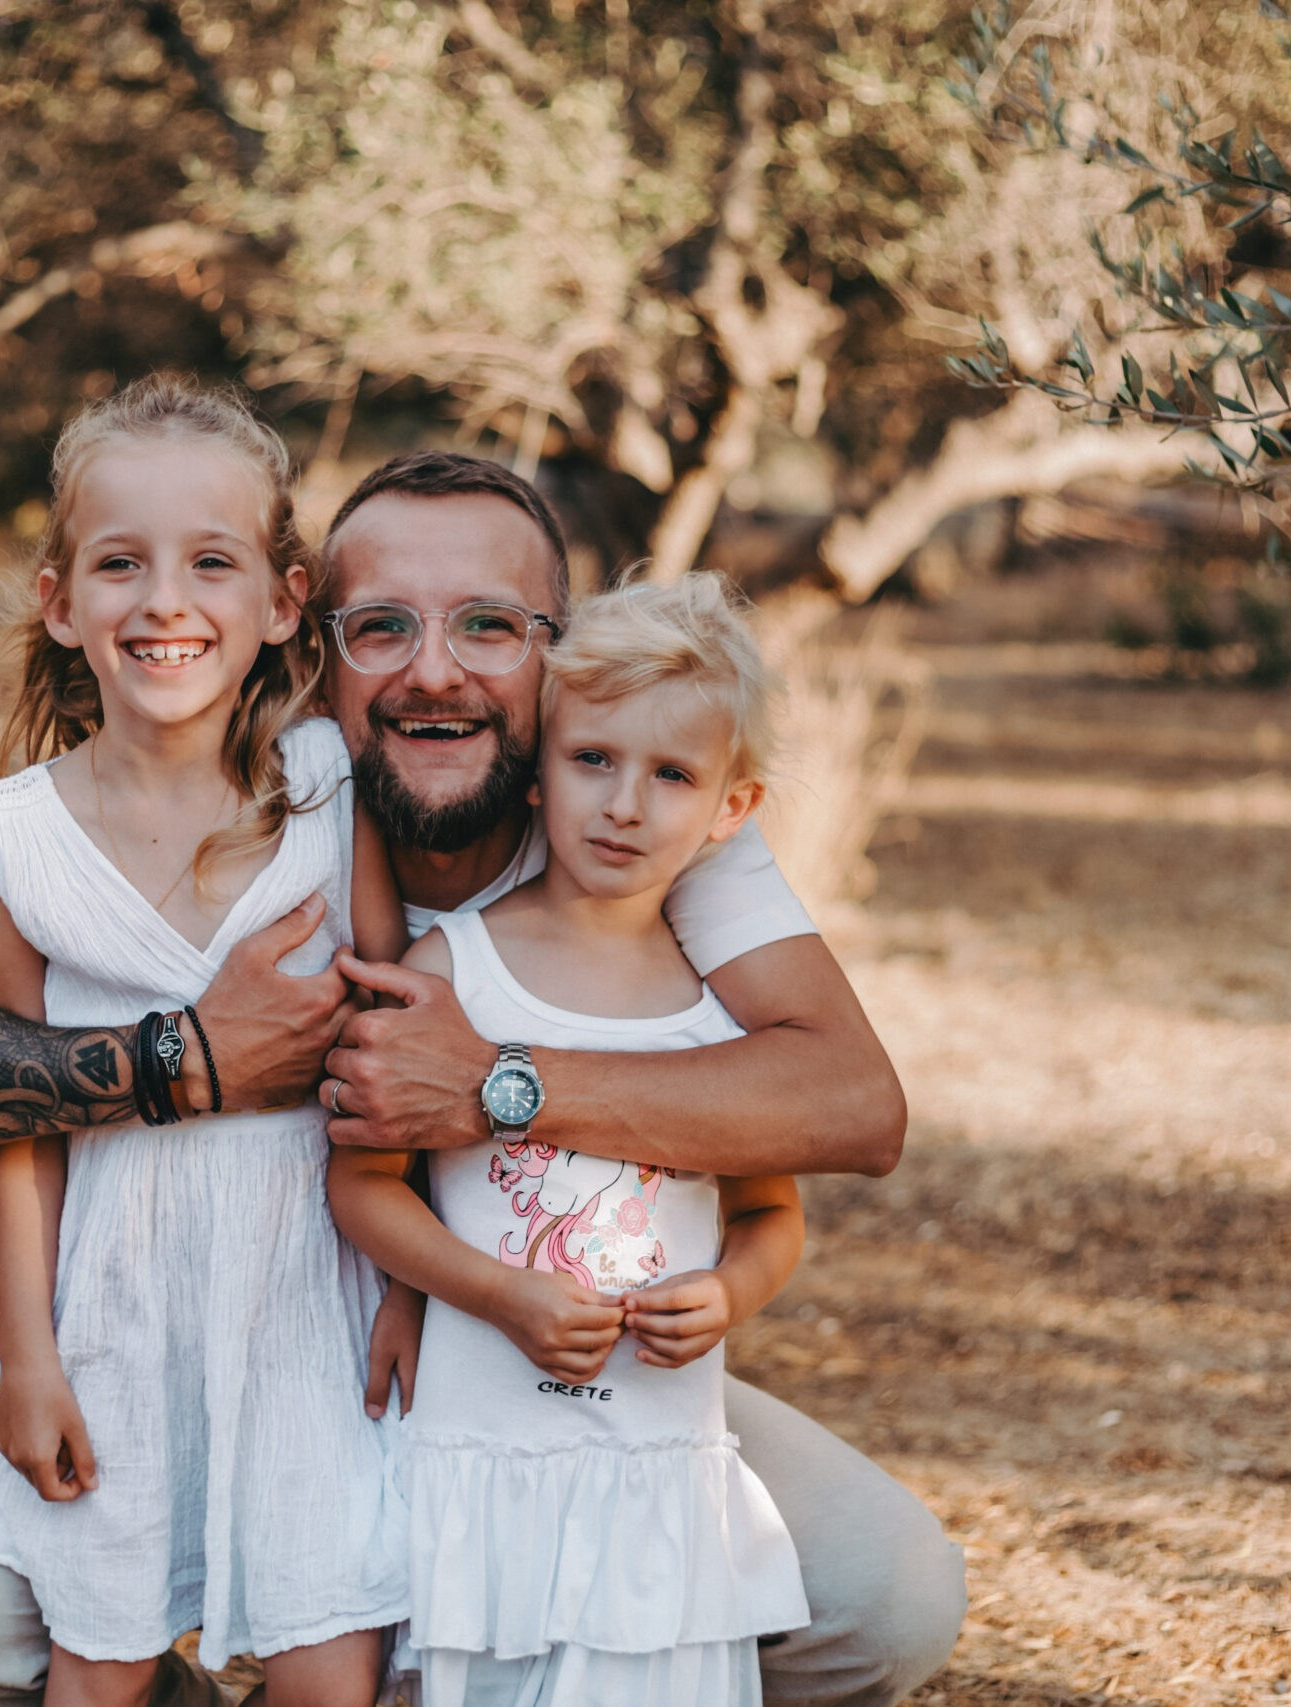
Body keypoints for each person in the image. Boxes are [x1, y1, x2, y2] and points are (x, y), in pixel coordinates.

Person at [0, 451, 967, 1707]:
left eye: (489, 625)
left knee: (884, 1595)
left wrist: (496, 1084)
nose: (434, 671)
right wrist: (186, 1057)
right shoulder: (269, 802)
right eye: (382, 628)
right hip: (230, 1328)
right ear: (314, 650)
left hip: (539, 1365)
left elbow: (853, 1107)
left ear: (556, 656)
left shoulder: (635, 817)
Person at [0, 373, 407, 1707]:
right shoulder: (10, 845)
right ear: (60, 601)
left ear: (283, 601)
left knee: (327, 1669)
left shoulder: (331, 796)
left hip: (307, 1298)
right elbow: (19, 1117)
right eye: (120, 563)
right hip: (112, 1308)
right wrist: (27, 1357)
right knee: (103, 1660)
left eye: (211, 562)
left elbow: (394, 1065)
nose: (165, 601)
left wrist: (408, 1288)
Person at [330, 575, 811, 1707]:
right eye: (593, 759)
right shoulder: (455, 970)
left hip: (655, 1481)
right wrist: (498, 1294)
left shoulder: (722, 1018)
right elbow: (363, 1188)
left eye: (673, 775)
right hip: (484, 1462)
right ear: (538, 770)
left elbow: (770, 1214)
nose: (625, 805)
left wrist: (731, 1293)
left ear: (731, 808)